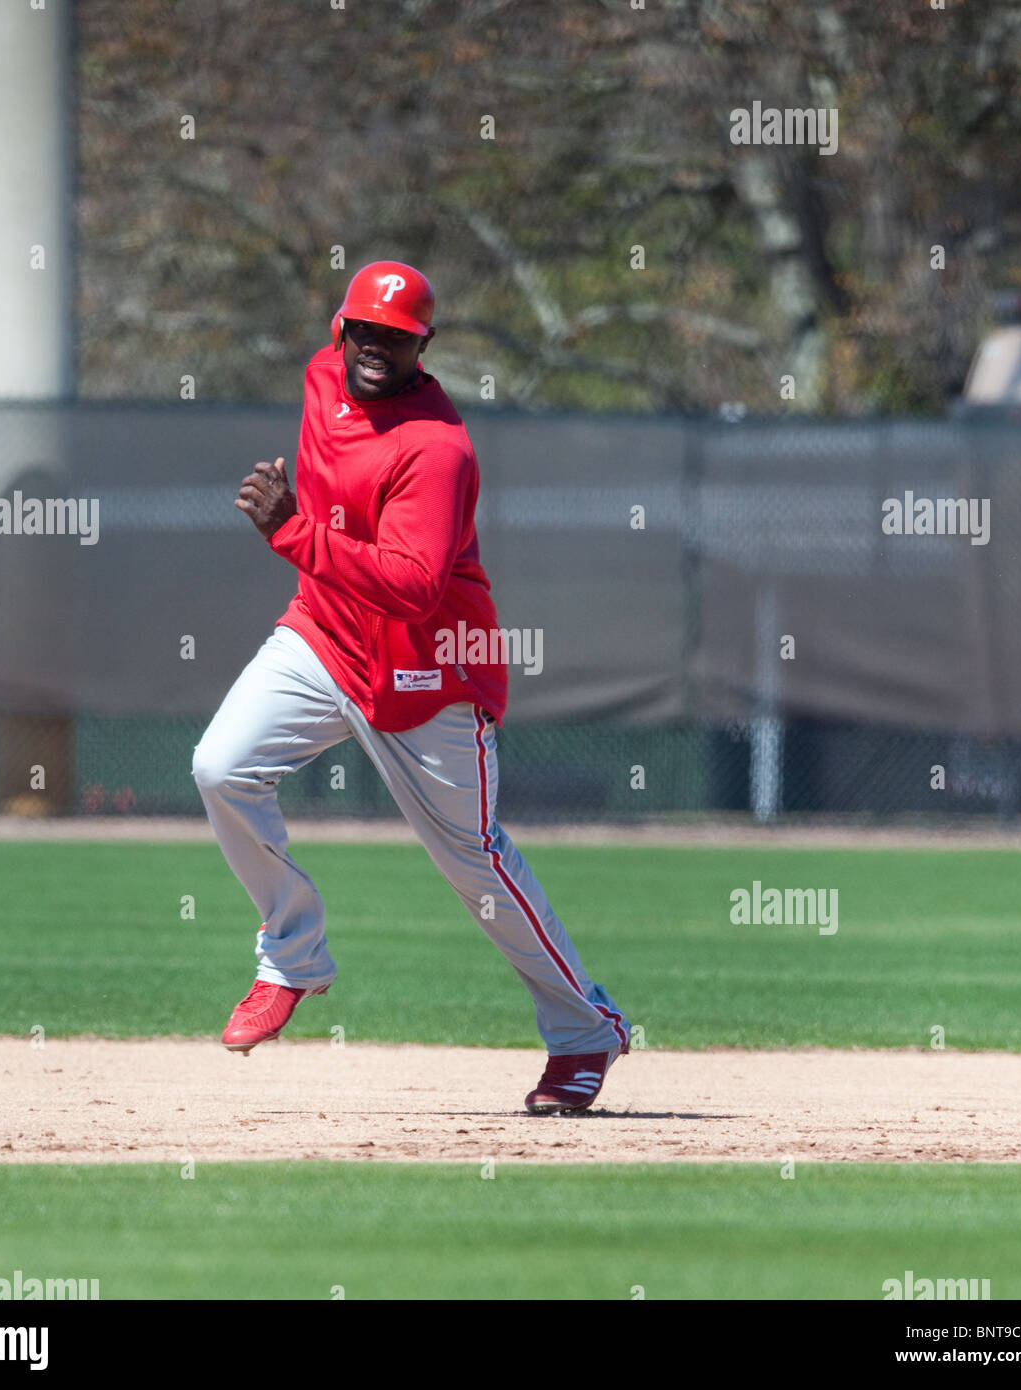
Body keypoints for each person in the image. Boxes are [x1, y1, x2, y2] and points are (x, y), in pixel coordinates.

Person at [192, 260, 630, 1114]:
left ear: (423, 345)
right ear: (339, 329)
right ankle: (292, 955)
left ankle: (586, 1031)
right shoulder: (324, 378)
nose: (374, 348)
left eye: (395, 337)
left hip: (426, 671)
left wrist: (292, 532)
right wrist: (307, 545)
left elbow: (412, 585)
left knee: (476, 868)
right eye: (364, 330)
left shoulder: (436, 448)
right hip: (324, 635)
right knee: (221, 766)